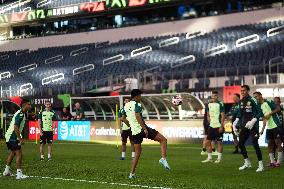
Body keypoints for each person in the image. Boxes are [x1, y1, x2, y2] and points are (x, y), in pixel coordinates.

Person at [124, 89, 170, 179]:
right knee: (163, 139)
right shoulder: (137, 104)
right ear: (136, 96)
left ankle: (131, 174)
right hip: (142, 129)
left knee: (137, 153)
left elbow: (123, 118)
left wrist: (130, 125)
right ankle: (163, 159)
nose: (141, 97)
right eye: (140, 95)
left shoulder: (126, 106)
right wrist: (144, 128)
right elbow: (137, 116)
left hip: (134, 132)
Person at [233, 85, 264, 172]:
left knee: (255, 144)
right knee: (241, 144)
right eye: (241, 91)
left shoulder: (253, 100)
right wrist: (236, 121)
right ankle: (247, 163)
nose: (242, 92)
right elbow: (240, 113)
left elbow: (260, 111)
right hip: (245, 126)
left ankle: (261, 165)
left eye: (244, 90)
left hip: (253, 126)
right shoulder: (241, 101)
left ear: (248, 91)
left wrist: (254, 120)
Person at [2, 98, 31, 179]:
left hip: (9, 136)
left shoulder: (22, 113)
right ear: (24, 105)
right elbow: (16, 127)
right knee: (19, 153)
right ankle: (19, 174)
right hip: (13, 137)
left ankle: (6, 171)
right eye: (28, 104)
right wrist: (20, 138)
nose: (30, 106)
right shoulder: (20, 114)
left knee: (13, 153)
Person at [254, 92, 282, 167]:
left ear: (260, 96)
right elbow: (264, 118)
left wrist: (270, 113)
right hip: (269, 127)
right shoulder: (259, 106)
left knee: (278, 143)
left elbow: (278, 108)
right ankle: (272, 161)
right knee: (269, 144)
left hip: (276, 125)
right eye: (255, 97)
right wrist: (263, 129)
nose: (256, 98)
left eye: (256, 96)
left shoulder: (268, 101)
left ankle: (278, 162)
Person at [202, 91, 225, 163]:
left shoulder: (220, 104)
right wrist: (208, 119)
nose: (214, 97)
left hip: (218, 126)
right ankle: (209, 158)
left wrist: (221, 126)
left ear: (217, 96)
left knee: (219, 142)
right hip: (211, 126)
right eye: (213, 96)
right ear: (211, 96)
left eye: (215, 96)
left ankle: (219, 158)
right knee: (208, 142)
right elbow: (208, 114)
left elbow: (223, 116)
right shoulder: (209, 104)